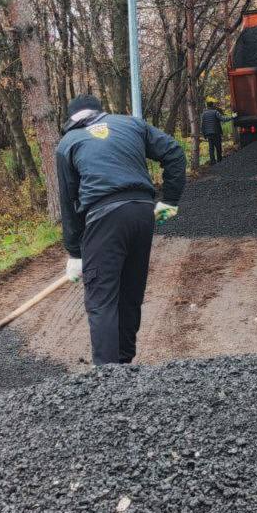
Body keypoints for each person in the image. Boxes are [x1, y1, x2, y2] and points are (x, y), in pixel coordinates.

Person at [56, 94, 186, 366]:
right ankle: (124, 367)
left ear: (74, 119)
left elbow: (69, 203)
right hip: (141, 212)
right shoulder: (132, 125)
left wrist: (75, 253)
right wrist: (170, 200)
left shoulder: (68, 143)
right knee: (129, 293)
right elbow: (174, 152)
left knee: (102, 299)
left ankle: (107, 377)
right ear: (99, 112)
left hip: (104, 218)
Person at [199, 100, 231, 164]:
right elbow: (223, 119)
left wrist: (204, 134)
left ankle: (212, 161)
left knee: (211, 148)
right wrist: (231, 117)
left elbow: (202, 125)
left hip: (208, 134)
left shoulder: (203, 114)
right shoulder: (215, 112)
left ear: (207, 106)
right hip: (216, 132)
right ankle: (219, 160)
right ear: (212, 105)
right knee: (218, 147)